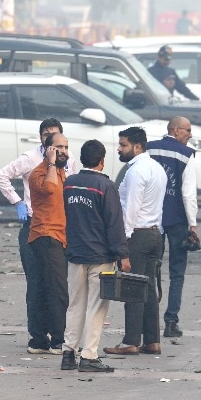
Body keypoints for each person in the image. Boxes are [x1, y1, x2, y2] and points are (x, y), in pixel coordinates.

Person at [0, 119, 78, 354]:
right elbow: (1, 175)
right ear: (42, 139)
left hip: (60, 228)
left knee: (55, 284)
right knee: (38, 284)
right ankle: (42, 337)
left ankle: (53, 337)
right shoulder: (34, 162)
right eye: (49, 138)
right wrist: (17, 201)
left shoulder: (66, 162)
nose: (60, 150)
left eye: (63, 145)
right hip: (37, 226)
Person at [63, 139, 130, 374]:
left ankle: (68, 352)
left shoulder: (69, 184)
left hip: (75, 254)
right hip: (100, 256)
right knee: (96, 308)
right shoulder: (106, 186)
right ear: (102, 161)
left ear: (82, 159)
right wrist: (122, 254)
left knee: (75, 305)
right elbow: (114, 223)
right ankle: (89, 356)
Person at [105, 127, 167, 357]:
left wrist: (123, 245)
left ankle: (131, 341)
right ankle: (152, 341)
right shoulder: (157, 168)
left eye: (123, 145)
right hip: (154, 234)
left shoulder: (136, 171)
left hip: (137, 235)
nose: (119, 149)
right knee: (148, 288)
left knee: (132, 288)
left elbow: (131, 209)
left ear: (137, 147)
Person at [147, 117, 198, 338]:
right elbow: (188, 194)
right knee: (177, 272)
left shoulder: (148, 149)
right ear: (176, 130)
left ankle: (149, 322)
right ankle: (171, 322)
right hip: (177, 220)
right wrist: (193, 224)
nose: (190, 135)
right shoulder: (186, 154)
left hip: (152, 219)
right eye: (187, 130)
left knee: (150, 271)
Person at [27, 131, 70, 357]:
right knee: (56, 290)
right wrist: (51, 163)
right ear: (48, 149)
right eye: (58, 147)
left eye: (66, 147)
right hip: (45, 235)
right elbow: (50, 188)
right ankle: (57, 341)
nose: (63, 151)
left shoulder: (62, 173)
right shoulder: (40, 173)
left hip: (59, 237)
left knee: (46, 289)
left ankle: (39, 340)